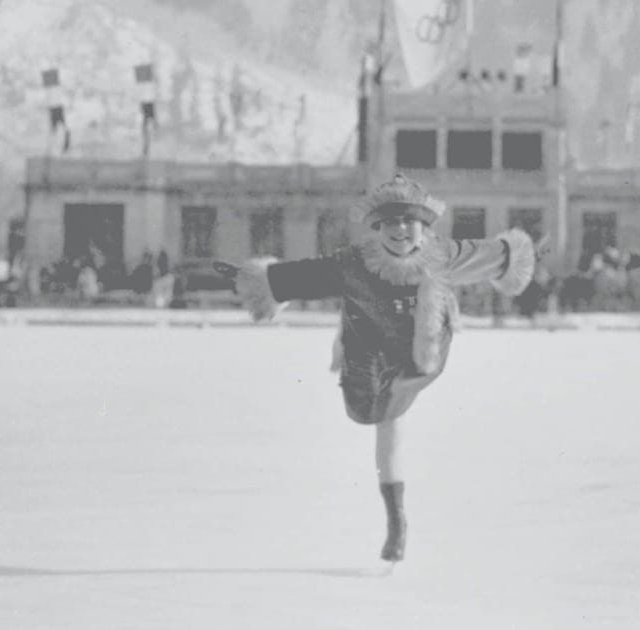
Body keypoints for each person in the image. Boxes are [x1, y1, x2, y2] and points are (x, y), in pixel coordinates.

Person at [226, 174, 536, 563]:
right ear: (377, 227)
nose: (400, 230)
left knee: (389, 423)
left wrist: (519, 254)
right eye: (390, 222)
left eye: (409, 221)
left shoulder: (443, 256)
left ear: (424, 227)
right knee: (367, 413)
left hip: (419, 351)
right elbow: (301, 276)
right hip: (368, 350)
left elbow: (499, 255)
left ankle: (397, 524)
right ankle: (396, 517)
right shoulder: (353, 264)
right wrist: (265, 282)